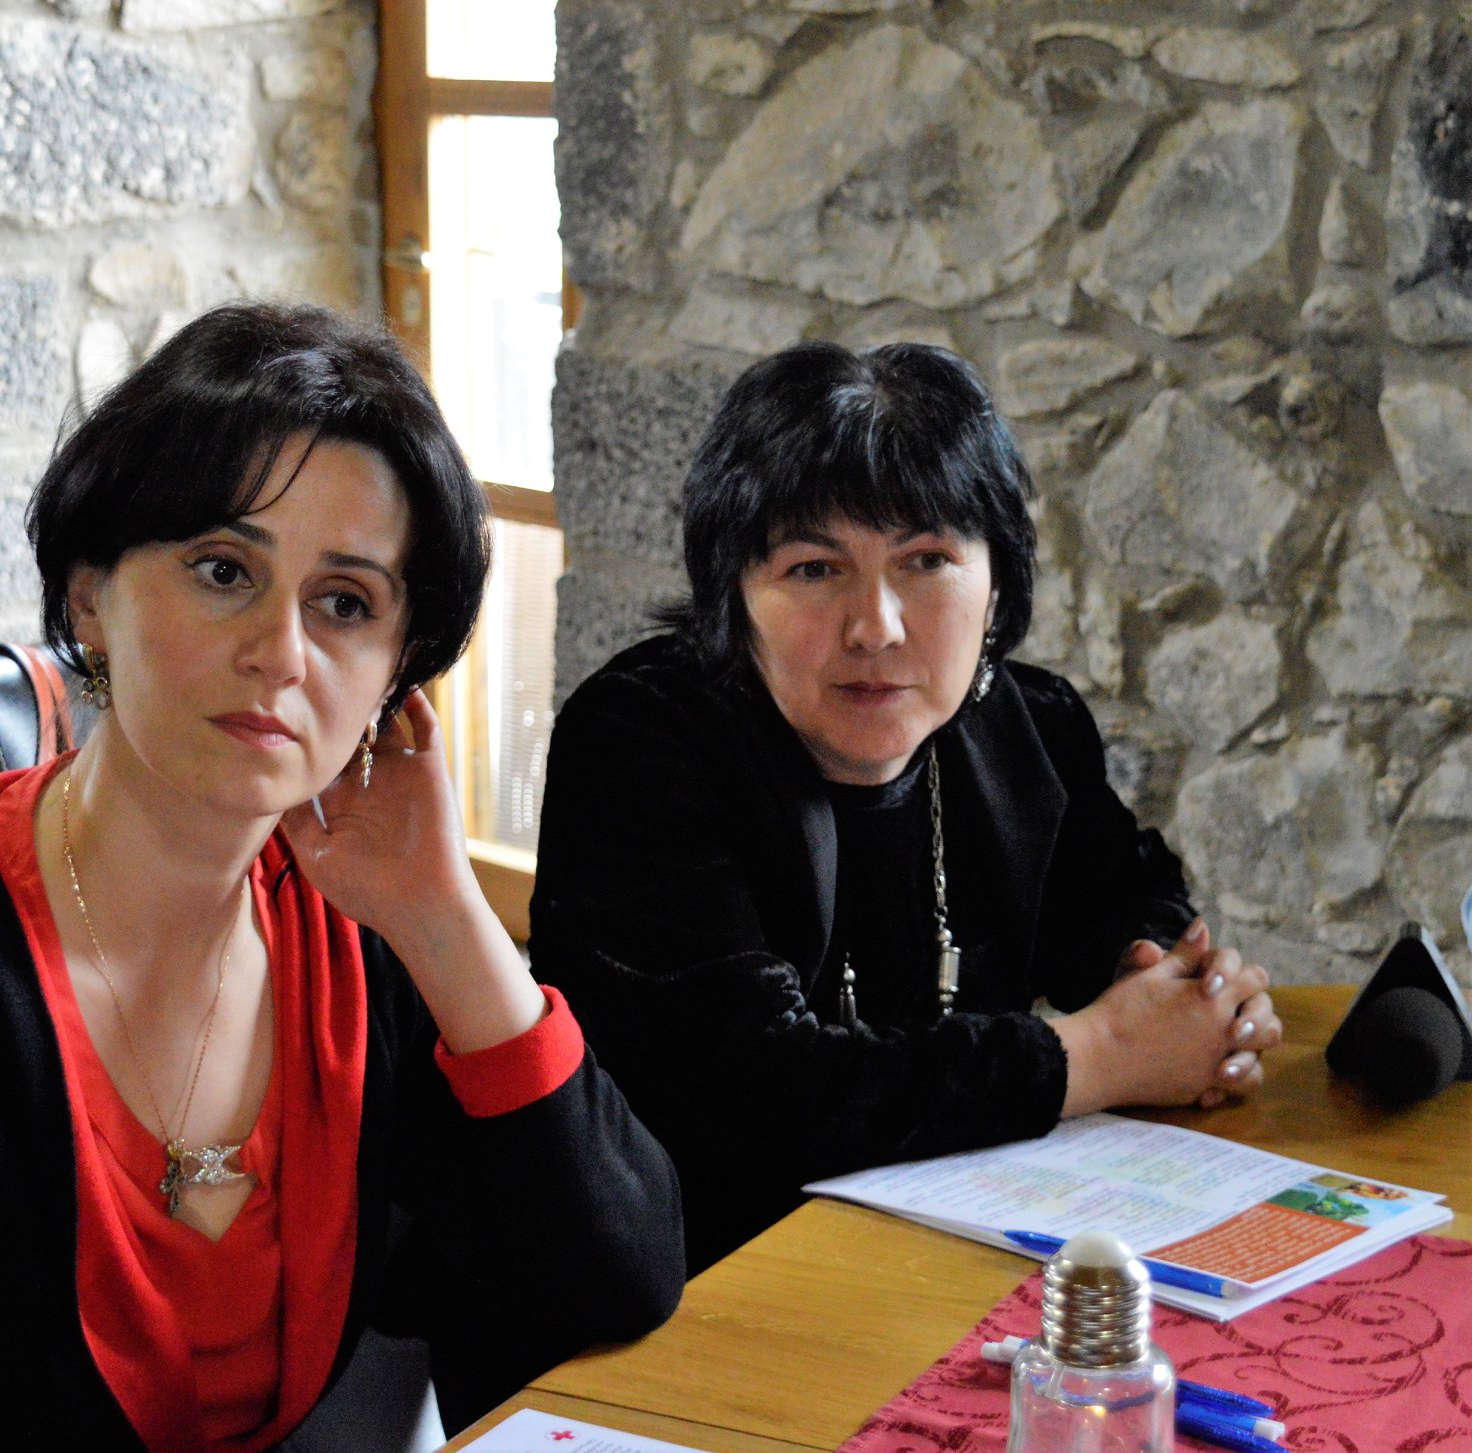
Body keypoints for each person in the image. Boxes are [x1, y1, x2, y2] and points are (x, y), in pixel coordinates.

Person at [0, 303, 684, 1447]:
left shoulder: (356, 938)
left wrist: (445, 918)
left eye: (345, 604)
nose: (280, 653)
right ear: (89, 598)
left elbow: (617, 1275)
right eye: (223, 570)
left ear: (394, 676)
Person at [527, 341, 1282, 1275]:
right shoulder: (640, 741)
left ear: (996, 583)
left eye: (926, 560)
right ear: (734, 592)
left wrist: (1179, 993)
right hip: (700, 1288)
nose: (876, 627)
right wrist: (1101, 1052)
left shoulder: (1028, 726)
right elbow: (746, 1098)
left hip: (942, 1260)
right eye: (814, 568)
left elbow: (1126, 898)